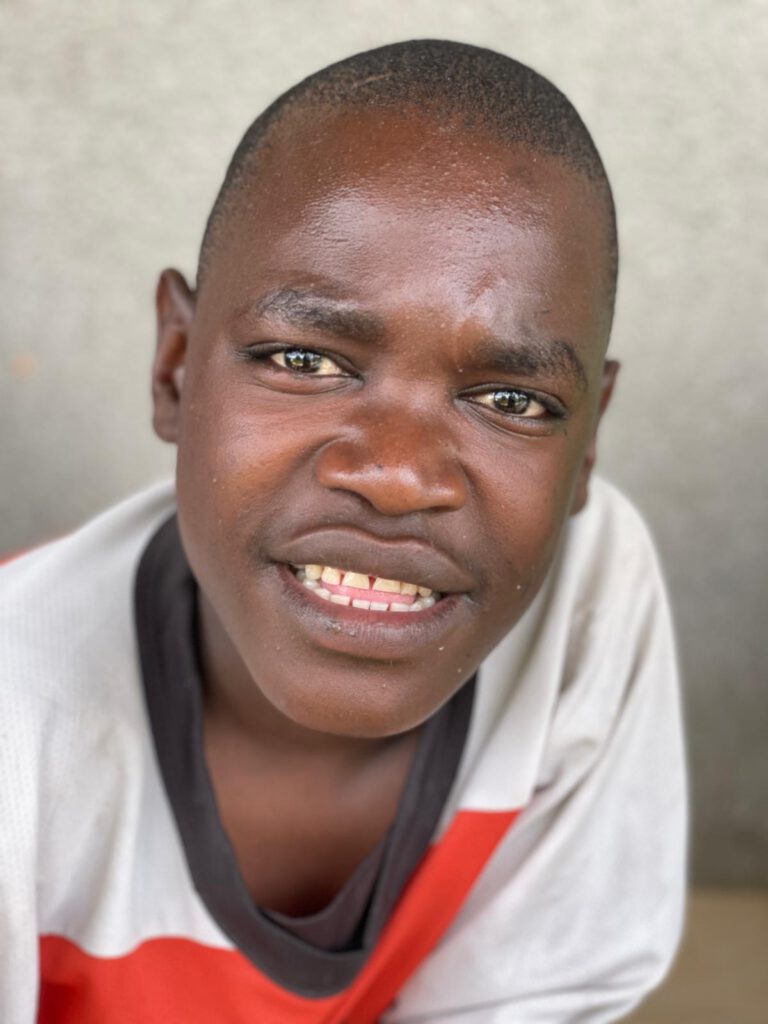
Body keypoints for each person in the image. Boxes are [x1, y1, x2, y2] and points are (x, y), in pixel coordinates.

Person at [0, 39, 686, 1023]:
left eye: (510, 400)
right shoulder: (18, 716)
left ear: (586, 446)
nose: (400, 476)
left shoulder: (589, 600)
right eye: (305, 360)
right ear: (175, 366)